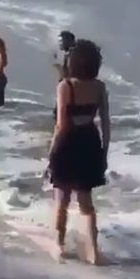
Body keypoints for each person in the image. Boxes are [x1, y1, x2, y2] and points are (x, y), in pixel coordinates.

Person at [47, 39, 110, 265]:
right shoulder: (99, 87)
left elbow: (61, 125)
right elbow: (106, 122)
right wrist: (104, 151)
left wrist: (52, 152)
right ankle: (93, 251)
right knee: (86, 202)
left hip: (69, 142)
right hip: (90, 142)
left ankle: (59, 244)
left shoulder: (65, 86)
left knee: (62, 198)